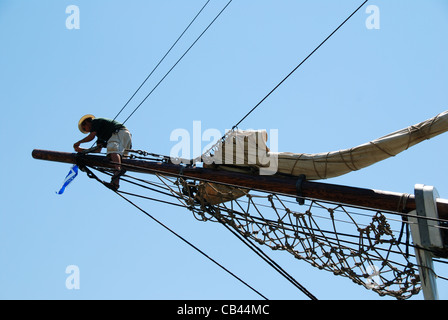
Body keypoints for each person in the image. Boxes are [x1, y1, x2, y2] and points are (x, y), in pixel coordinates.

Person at [74, 114, 132, 191]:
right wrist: (81, 150)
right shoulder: (100, 134)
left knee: (113, 151)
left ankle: (118, 171)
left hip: (119, 133)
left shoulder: (95, 121)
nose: (87, 131)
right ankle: (115, 184)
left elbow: (91, 136)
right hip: (125, 136)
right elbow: (98, 150)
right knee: (117, 161)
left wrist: (79, 142)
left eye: (85, 129)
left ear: (87, 122)